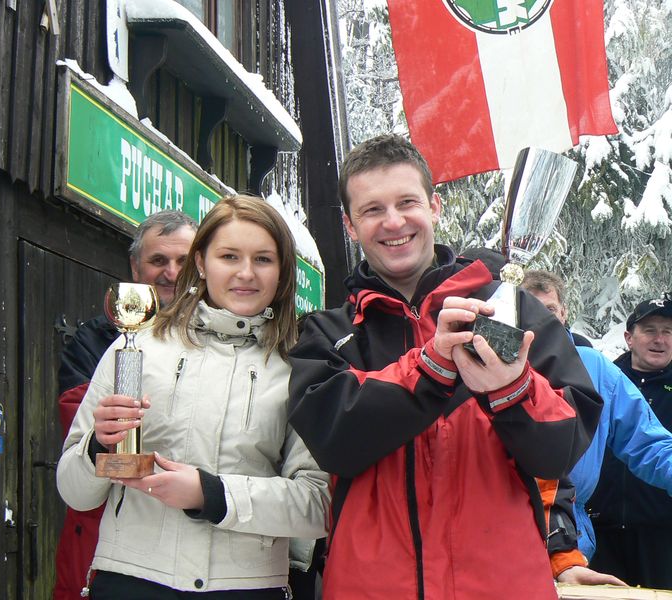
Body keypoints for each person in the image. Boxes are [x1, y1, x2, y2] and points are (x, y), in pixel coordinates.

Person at [287, 134, 602, 599]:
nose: (394, 222)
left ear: (434, 207)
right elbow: (336, 444)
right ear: (350, 226)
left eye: (407, 202)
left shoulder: (512, 311)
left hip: (501, 586)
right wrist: (429, 367)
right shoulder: (328, 333)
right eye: (372, 210)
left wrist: (513, 390)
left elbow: (560, 453)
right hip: (372, 588)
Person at [56, 195, 330, 599]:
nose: (246, 273)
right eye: (229, 256)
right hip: (131, 580)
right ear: (201, 263)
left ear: (282, 270)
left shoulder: (297, 366)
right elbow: (74, 491)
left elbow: (317, 504)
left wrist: (213, 494)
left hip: (245, 588)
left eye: (263, 259)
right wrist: (99, 445)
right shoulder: (137, 347)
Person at [53, 210, 197, 600]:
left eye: (182, 260)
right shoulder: (96, 341)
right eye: (158, 260)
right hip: (103, 526)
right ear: (135, 268)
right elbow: (81, 430)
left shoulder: (222, 339)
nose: (171, 272)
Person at [522, 270, 672, 586]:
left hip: (574, 540)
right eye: (529, 306)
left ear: (564, 313)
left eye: (549, 309)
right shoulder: (490, 365)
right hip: (501, 533)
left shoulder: (594, 368)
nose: (539, 318)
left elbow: (648, 442)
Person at [588, 294, 672, 589]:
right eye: (650, 330)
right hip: (600, 532)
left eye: (668, 331)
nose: (660, 339)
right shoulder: (601, 383)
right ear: (628, 338)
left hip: (663, 535)